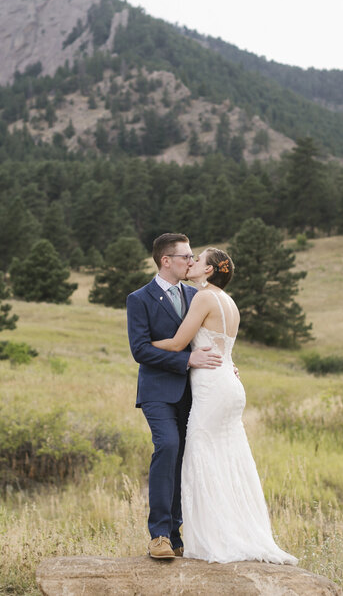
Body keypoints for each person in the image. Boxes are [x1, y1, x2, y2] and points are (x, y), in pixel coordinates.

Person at [151, 247, 298, 565]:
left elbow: (178, 343)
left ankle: (216, 540)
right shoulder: (228, 302)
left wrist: (144, 345)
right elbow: (221, 347)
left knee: (201, 457)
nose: (191, 263)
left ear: (209, 270)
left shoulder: (203, 297)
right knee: (230, 459)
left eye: (198, 260)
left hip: (212, 387)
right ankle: (239, 531)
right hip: (228, 383)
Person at [126, 233, 223, 559]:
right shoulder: (139, 299)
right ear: (166, 260)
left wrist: (225, 367)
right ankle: (160, 536)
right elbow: (140, 350)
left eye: (193, 256)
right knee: (167, 447)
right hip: (158, 391)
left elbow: (208, 338)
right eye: (185, 256)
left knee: (186, 457)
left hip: (196, 391)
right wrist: (186, 360)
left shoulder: (198, 295)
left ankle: (178, 536)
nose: (191, 261)